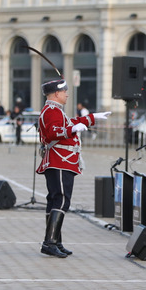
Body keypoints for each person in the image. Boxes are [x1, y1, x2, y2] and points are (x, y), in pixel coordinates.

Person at [36, 78, 110, 258]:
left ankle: (55, 241)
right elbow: (54, 131)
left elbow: (71, 122)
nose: (67, 94)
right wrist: (72, 130)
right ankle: (50, 242)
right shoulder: (52, 111)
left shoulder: (55, 110)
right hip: (60, 161)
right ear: (56, 94)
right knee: (61, 200)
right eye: (64, 92)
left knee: (55, 200)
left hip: (61, 161)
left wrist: (92, 117)